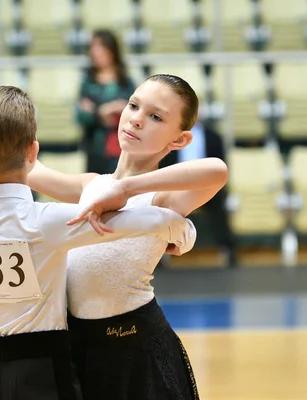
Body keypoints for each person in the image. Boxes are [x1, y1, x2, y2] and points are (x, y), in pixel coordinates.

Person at [0, 85, 197, 400]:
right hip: (51, 369)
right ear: (33, 153)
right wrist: (183, 230)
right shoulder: (48, 220)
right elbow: (135, 220)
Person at [29, 74, 228, 399]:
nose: (136, 119)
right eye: (134, 105)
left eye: (155, 117)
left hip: (137, 350)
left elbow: (217, 171)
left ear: (178, 140)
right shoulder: (90, 184)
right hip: (80, 349)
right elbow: (23, 169)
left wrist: (125, 188)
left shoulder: (162, 198)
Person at [161, 121, 237, 266]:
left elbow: (221, 164)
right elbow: (165, 163)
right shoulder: (172, 136)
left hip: (206, 184)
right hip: (176, 184)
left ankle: (228, 249)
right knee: (161, 209)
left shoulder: (213, 136)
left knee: (219, 206)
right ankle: (159, 254)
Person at [76, 29, 136, 174]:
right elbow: (81, 115)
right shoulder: (88, 83)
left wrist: (103, 109)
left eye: (100, 47)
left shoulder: (126, 82)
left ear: (111, 50)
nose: (95, 52)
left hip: (121, 147)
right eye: (92, 47)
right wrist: (103, 112)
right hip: (95, 147)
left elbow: (134, 111)